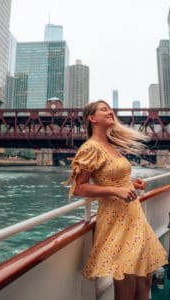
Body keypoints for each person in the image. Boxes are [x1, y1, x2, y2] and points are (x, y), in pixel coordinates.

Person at [66, 100, 167, 300]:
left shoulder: (110, 146)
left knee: (145, 279)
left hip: (134, 215)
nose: (110, 112)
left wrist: (131, 185)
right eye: (104, 109)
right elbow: (79, 187)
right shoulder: (91, 148)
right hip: (116, 219)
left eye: (110, 109)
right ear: (92, 118)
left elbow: (112, 176)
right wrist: (115, 191)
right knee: (127, 282)